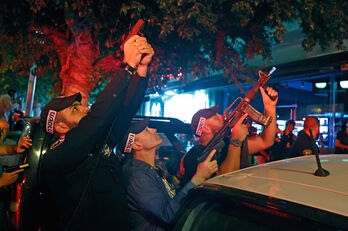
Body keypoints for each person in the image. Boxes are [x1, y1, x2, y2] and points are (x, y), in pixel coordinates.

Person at [40, 35, 154, 230]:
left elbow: (124, 113)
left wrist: (141, 72)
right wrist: (127, 68)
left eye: (80, 105)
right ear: (60, 127)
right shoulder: (55, 158)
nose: (84, 109)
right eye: (75, 110)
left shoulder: (97, 141)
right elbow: (97, 118)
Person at [120, 119, 217, 230]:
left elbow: (167, 195)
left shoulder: (153, 167)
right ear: (137, 145)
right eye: (146, 131)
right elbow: (167, 214)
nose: (154, 129)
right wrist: (198, 178)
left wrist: (177, 179)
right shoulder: (137, 176)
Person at [179, 87, 278, 185]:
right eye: (215, 116)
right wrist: (236, 141)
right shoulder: (193, 157)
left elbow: (266, 141)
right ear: (205, 128)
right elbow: (223, 182)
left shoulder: (225, 143)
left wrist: (270, 107)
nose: (221, 116)